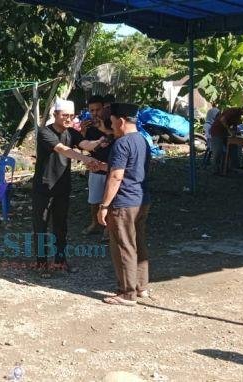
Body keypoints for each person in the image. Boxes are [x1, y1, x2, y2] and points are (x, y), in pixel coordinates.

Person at [33, 99, 101, 277]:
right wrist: (85, 159)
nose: (68, 119)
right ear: (55, 114)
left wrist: (102, 140)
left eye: (71, 116)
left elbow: (86, 144)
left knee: (61, 226)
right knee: (41, 226)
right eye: (64, 115)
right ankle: (41, 263)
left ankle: (60, 261)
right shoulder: (44, 132)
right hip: (44, 187)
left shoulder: (72, 132)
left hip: (63, 187)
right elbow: (62, 149)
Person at [95, 102, 152, 306]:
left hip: (124, 202)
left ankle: (127, 293)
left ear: (120, 121)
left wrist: (104, 206)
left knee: (123, 246)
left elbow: (117, 176)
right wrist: (104, 166)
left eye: (111, 122)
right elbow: (131, 168)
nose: (111, 126)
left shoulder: (122, 143)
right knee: (138, 243)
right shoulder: (142, 140)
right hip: (141, 199)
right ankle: (141, 286)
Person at [79, 95, 114, 235]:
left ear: (104, 108)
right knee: (94, 199)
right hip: (95, 167)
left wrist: (105, 130)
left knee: (111, 199)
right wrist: (82, 132)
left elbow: (119, 139)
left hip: (112, 167)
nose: (94, 113)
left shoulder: (113, 123)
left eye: (97, 109)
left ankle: (109, 228)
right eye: (91, 110)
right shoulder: (89, 126)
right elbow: (84, 147)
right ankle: (95, 223)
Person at [211, 101, 243, 174]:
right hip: (217, 131)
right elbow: (223, 120)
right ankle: (215, 170)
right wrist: (229, 130)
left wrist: (235, 133)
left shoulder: (238, 116)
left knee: (233, 147)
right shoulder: (233, 111)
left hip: (225, 132)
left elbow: (234, 126)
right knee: (218, 151)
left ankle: (231, 167)